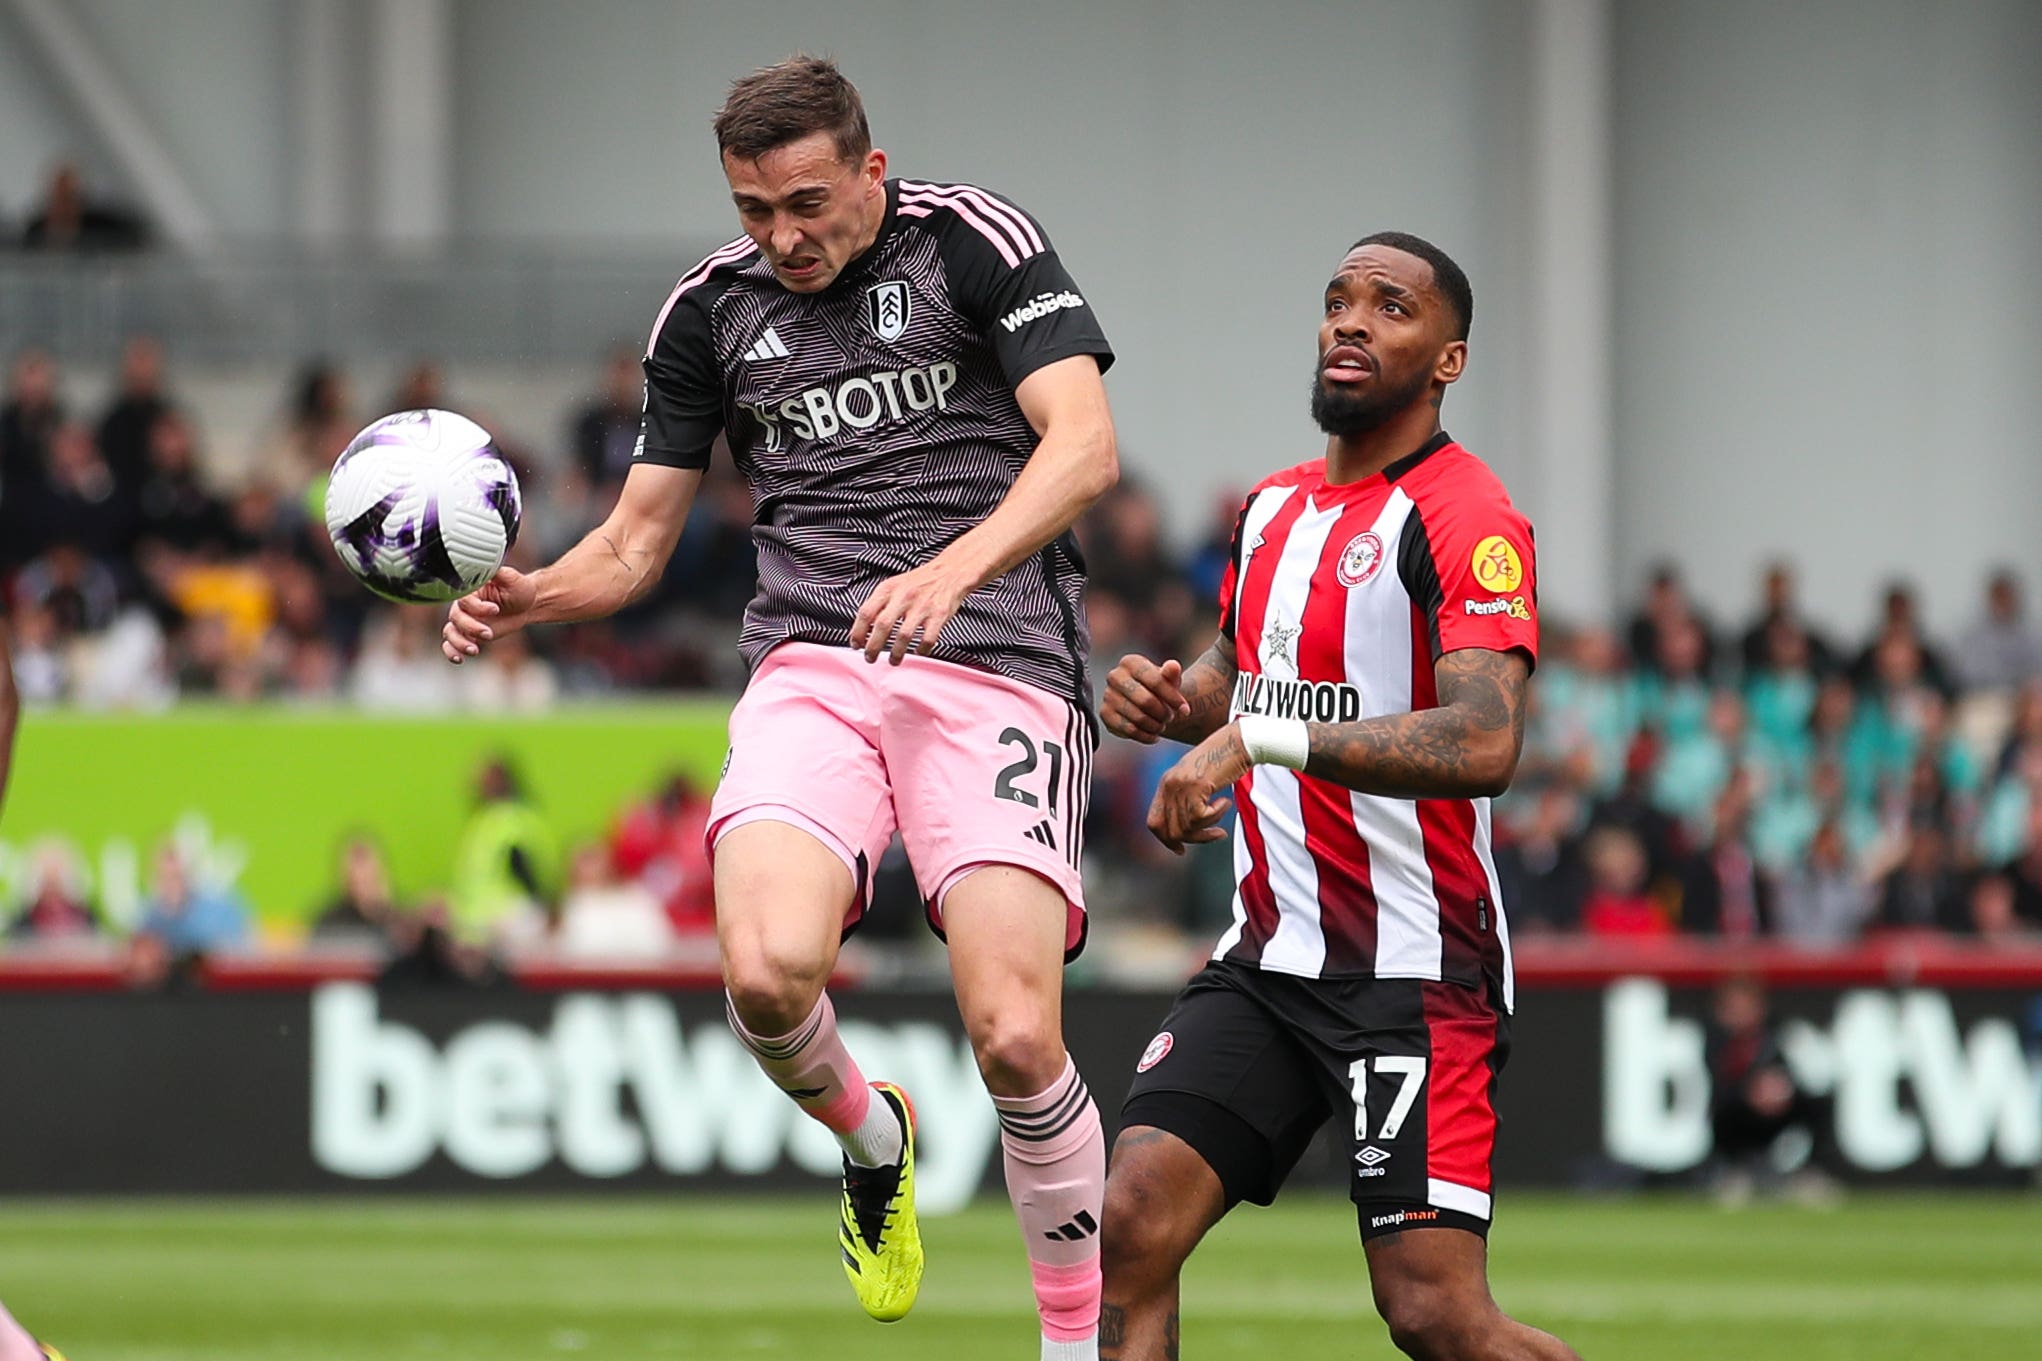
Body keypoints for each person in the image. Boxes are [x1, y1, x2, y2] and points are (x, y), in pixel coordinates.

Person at [440, 55, 1119, 1351]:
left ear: (869, 169)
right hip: (812, 662)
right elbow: (638, 543)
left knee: (1018, 1038)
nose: (783, 237)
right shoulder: (706, 314)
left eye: (807, 202)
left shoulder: (976, 244)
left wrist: (951, 566)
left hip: (998, 655)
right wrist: (534, 594)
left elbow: (1081, 444)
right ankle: (873, 1138)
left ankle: (1070, 1345)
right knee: (760, 974)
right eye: (754, 210)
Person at [1097, 234, 1579, 1361]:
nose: (1349, 322)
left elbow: (1484, 735)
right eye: (1336, 301)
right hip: (1267, 960)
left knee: (1431, 1312)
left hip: (1409, 969)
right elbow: (1233, 678)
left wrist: (1253, 740)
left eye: (1390, 307)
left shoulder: (1465, 515)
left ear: (1447, 357)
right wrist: (1166, 704)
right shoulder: (1270, 507)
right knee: (1127, 1221)